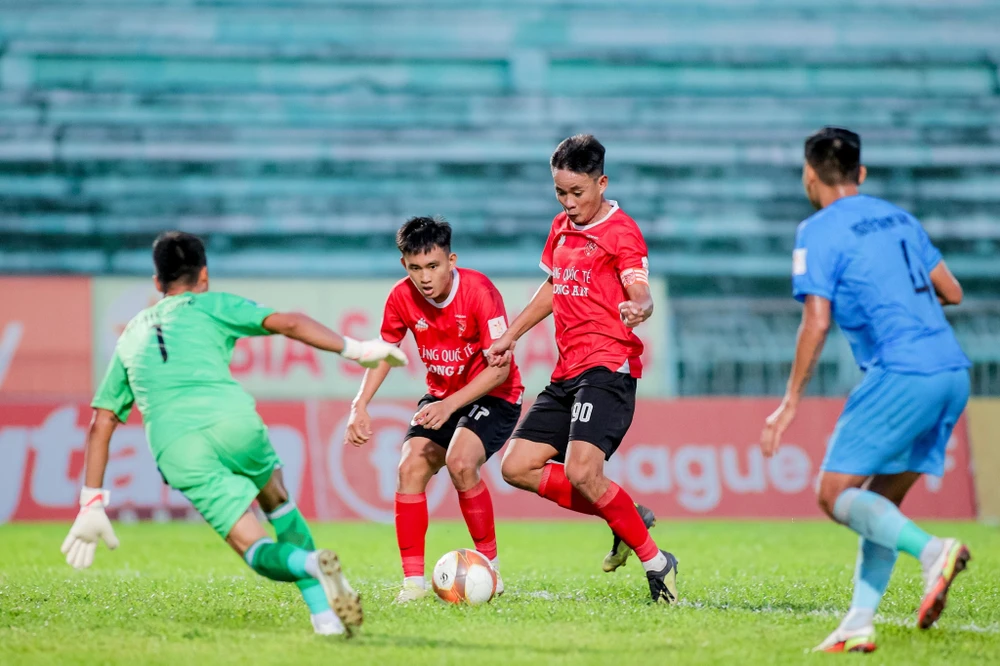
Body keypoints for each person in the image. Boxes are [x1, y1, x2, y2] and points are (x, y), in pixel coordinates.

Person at [60, 231, 408, 637]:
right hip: (233, 421)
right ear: (203, 276)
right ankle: (324, 615)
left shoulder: (130, 334)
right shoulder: (212, 304)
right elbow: (291, 323)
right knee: (277, 500)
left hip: (178, 448)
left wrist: (92, 502)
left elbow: (102, 422)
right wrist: (358, 349)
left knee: (253, 546)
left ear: (157, 283)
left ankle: (310, 569)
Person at [760, 127, 972, 653]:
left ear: (810, 175)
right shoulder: (900, 218)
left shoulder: (816, 230)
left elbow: (816, 321)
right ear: (861, 174)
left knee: (833, 493)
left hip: (902, 373)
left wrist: (789, 403)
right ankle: (858, 621)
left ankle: (932, 551)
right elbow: (952, 290)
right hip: (950, 371)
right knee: (878, 502)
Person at [487, 134, 678, 604]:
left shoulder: (622, 231)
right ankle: (625, 515)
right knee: (516, 466)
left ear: (601, 183)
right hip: (566, 371)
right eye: (560, 193)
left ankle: (658, 564)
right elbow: (554, 288)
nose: (569, 203)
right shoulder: (560, 227)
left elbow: (640, 288)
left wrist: (641, 308)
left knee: (581, 471)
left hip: (608, 368)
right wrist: (510, 335)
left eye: (578, 192)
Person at [346, 216, 524, 603]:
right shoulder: (400, 297)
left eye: (433, 266)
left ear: (451, 260)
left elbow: (502, 370)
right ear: (404, 266)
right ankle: (412, 585)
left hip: (495, 394)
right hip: (443, 395)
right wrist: (360, 404)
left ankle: (490, 569)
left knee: (461, 462)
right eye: (415, 268)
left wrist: (449, 406)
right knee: (408, 467)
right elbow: (386, 352)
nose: (425, 278)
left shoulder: (480, 291)